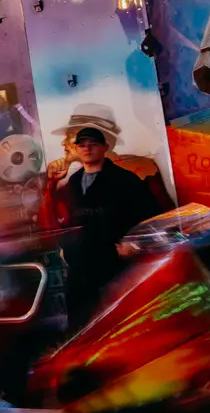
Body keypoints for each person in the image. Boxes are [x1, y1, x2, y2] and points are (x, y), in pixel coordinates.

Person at [42, 125, 159, 326]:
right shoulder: (73, 182)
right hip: (80, 270)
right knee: (82, 326)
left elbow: (151, 216)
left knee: (118, 323)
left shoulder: (125, 180)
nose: (87, 149)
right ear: (77, 149)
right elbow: (58, 220)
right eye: (82, 145)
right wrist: (66, 248)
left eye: (93, 144)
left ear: (105, 147)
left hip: (114, 267)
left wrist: (134, 245)